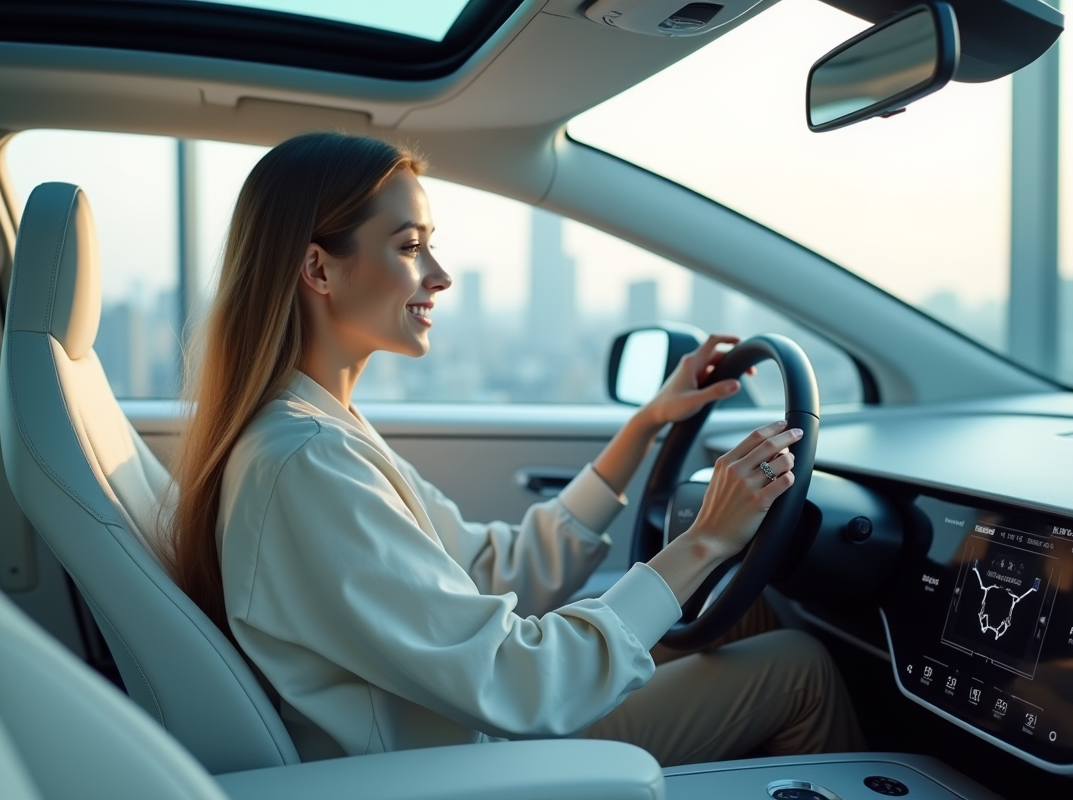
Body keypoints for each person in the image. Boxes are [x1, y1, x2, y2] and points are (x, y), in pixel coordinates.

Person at [164, 132, 864, 766]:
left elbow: (488, 567)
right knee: (799, 666)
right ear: (319, 270)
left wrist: (645, 424)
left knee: (745, 613)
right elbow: (517, 681)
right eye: (409, 247)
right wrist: (705, 542)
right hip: (474, 762)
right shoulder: (307, 463)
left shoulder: (323, 430)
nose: (439, 274)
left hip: (472, 727)